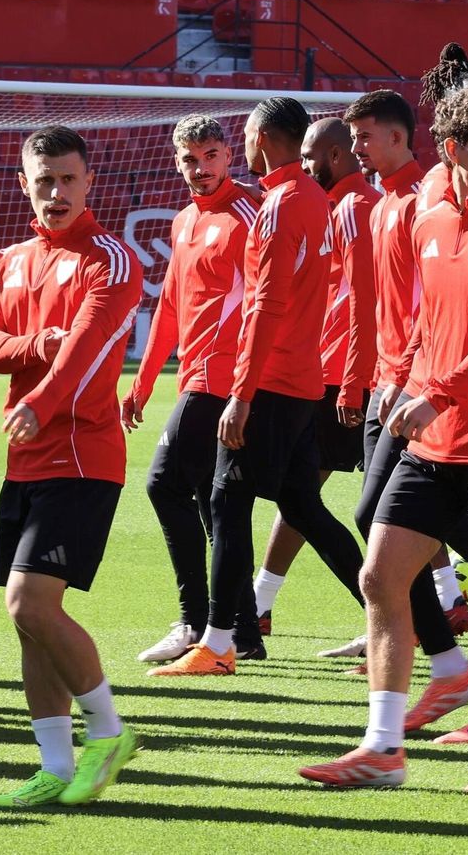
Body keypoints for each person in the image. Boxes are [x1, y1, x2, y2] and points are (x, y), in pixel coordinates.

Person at [299, 86, 468, 793]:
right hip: (432, 435)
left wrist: (436, 392)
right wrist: (402, 376)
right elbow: (427, 312)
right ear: (451, 151)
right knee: (381, 578)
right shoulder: (429, 208)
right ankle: (383, 749)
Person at [150, 98, 364, 675]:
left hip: (269, 381)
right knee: (301, 506)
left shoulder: (273, 206)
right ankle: (397, 619)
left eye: (238, 139)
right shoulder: (316, 199)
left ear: (261, 138)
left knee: (224, 501)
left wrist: (241, 394)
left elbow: (266, 307)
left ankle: (219, 641)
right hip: (304, 379)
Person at [0, 125, 142, 807]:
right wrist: (33, 343)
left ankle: (108, 730)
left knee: (30, 602)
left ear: (89, 182)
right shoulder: (11, 258)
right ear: (24, 184)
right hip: (26, 460)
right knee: (28, 620)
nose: (56, 193)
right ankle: (55, 766)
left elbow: (90, 347)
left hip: (82, 453)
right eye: (44, 181)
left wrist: (42, 401)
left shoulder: (111, 259)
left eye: (68, 179)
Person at [125, 115, 260, 664]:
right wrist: (141, 381)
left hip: (225, 381)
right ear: (177, 160)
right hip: (196, 376)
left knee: (163, 485)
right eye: (189, 159)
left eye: (209, 155)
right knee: (214, 505)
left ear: (229, 155)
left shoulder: (248, 215)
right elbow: (172, 308)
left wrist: (248, 386)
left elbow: (265, 304)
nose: (199, 168)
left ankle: (195, 620)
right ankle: (241, 632)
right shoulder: (184, 221)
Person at [250, 117, 379, 627]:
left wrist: (350, 379)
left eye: (309, 156)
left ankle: (432, 610)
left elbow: (363, 301)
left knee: (313, 497)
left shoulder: (350, 208)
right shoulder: (354, 205)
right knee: (312, 496)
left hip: (343, 373)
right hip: (347, 370)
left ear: (333, 156)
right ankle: (437, 604)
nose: (303, 165)